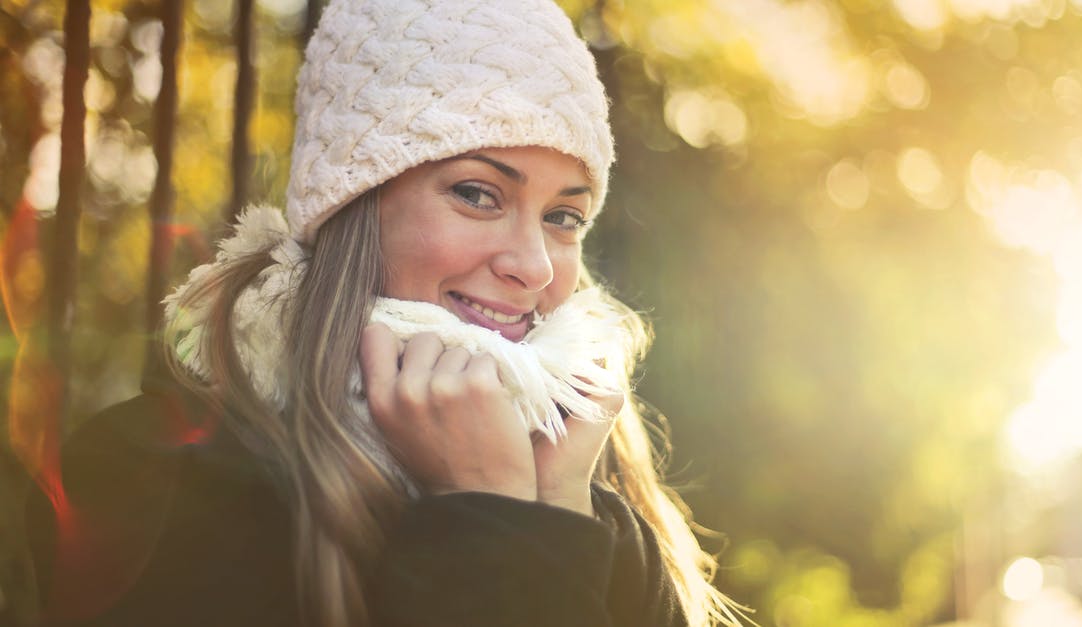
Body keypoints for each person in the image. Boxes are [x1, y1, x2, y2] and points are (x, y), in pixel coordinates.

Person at [26, 0, 742, 626]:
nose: (535, 264)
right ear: (351, 207)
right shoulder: (158, 489)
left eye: (563, 215)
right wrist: (491, 519)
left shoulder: (594, 480)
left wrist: (552, 501)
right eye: (477, 193)